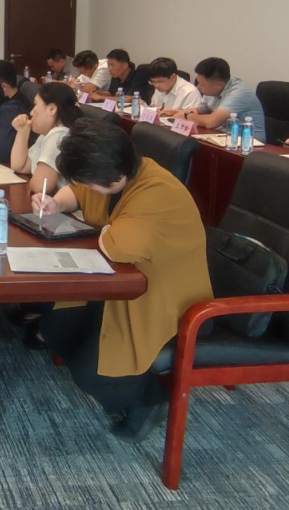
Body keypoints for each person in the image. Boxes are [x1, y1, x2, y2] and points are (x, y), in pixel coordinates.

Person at [29, 119, 212, 443]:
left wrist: (106, 232)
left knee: (94, 373)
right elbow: (79, 193)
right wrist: (57, 202)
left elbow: (119, 246)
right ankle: (124, 383)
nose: (87, 187)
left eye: (91, 181)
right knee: (58, 325)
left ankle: (150, 401)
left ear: (114, 173)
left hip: (166, 302)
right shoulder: (118, 175)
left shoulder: (158, 192)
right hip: (126, 285)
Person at [10, 83, 82, 194]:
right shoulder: (48, 133)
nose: (31, 112)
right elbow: (19, 166)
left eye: (35, 104)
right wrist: (22, 132)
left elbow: (40, 186)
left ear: (52, 109)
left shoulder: (59, 135)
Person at [183, 57, 266, 142]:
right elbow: (200, 110)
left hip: (248, 144)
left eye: (202, 84)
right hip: (223, 138)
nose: (198, 87)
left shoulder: (239, 93)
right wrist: (179, 113)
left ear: (218, 85)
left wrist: (187, 116)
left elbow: (210, 122)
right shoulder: (212, 88)